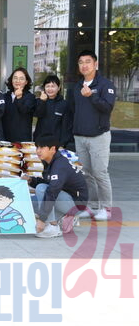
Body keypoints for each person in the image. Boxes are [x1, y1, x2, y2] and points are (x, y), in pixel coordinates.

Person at [67, 50, 117, 222]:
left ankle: (106, 208)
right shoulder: (77, 86)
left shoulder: (105, 85)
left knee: (100, 173)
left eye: (88, 61)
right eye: (81, 62)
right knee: (86, 174)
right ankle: (92, 206)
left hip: (99, 136)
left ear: (95, 64)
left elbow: (108, 107)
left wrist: (92, 96)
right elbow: (73, 110)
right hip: (80, 137)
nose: (84, 65)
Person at [25, 136, 89, 238]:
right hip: (65, 197)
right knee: (29, 203)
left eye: (42, 148)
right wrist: (31, 180)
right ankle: (65, 217)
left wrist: (42, 219)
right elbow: (49, 182)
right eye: (37, 147)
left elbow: (52, 191)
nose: (38, 151)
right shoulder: (50, 161)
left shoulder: (59, 165)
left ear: (53, 149)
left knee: (41, 189)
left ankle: (52, 227)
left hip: (76, 204)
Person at [33, 75, 72, 148]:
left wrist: (63, 143)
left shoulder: (64, 104)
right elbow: (37, 114)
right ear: (44, 88)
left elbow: (66, 126)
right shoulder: (39, 101)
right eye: (47, 86)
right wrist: (42, 101)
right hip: (40, 141)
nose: (50, 89)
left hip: (56, 144)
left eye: (53, 86)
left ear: (58, 88)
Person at [3, 67, 36, 142]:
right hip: (5, 140)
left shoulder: (30, 97)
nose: (18, 81)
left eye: (21, 78)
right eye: (15, 78)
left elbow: (24, 110)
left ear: (26, 82)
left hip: (22, 141)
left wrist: (19, 97)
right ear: (11, 80)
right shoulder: (5, 96)